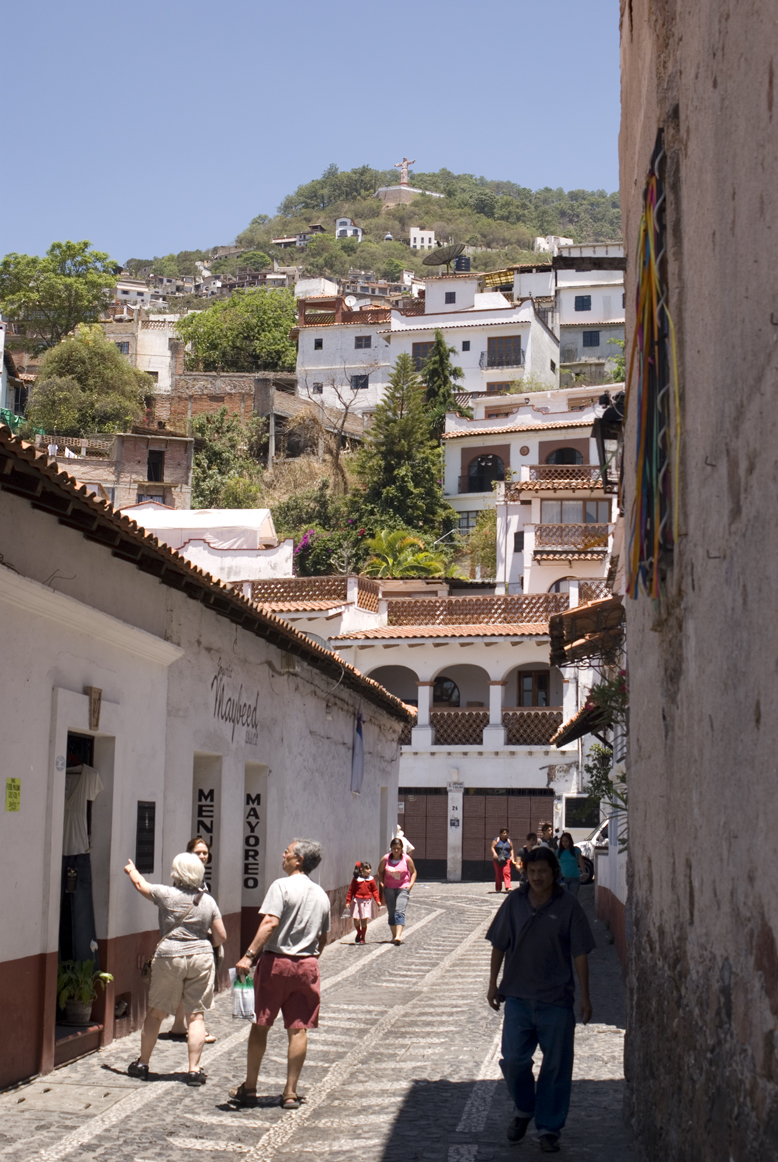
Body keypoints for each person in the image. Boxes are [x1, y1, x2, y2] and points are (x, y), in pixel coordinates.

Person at [486, 846, 595, 1153]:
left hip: (556, 999)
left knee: (557, 1066)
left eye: (543, 871)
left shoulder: (569, 906)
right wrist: (493, 983)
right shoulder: (514, 903)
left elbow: (581, 953)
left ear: (554, 873)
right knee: (514, 1060)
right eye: (532, 872)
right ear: (526, 874)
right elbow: (499, 943)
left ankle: (549, 1127)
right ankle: (524, 1108)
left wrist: (585, 996)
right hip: (518, 997)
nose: (537, 877)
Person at [230, 839, 330, 1111]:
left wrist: (249, 955)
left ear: (298, 859)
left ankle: (250, 1087)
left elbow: (270, 922)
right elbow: (324, 936)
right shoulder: (321, 894)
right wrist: (309, 958)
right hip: (307, 964)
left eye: (287, 851)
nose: (282, 855)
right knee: (298, 1028)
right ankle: (290, 1091)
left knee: (260, 1024)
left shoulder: (281, 886)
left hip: (276, 963)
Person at [124, 852, 226, 1085]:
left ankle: (142, 1064)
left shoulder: (167, 894)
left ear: (177, 873)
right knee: (196, 1016)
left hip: (169, 956)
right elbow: (221, 935)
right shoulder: (208, 901)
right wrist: (203, 944)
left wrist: (131, 870)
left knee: (156, 1012)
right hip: (201, 957)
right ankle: (194, 1070)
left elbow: (141, 885)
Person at [166, 837, 218, 1044]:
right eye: (199, 853)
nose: (203, 856)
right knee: (196, 989)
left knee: (184, 986)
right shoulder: (188, 879)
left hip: (192, 940)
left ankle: (179, 1026)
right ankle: (197, 1029)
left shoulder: (199, 877)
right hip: (191, 941)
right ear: (189, 854)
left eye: (205, 853)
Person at [378, 837, 417, 945]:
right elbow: (380, 871)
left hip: (403, 888)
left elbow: (413, 872)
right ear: (391, 848)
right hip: (389, 889)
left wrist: (410, 885)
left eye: (398, 848)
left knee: (400, 911)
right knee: (391, 913)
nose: (396, 850)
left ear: (401, 849)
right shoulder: (386, 859)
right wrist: (381, 882)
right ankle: (394, 936)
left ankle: (398, 936)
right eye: (394, 848)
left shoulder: (407, 859)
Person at [346, 861, 380, 943]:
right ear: (361, 870)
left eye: (370, 869)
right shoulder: (356, 880)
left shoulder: (371, 880)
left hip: (366, 902)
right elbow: (351, 891)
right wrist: (348, 901)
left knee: (364, 920)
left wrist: (377, 900)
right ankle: (359, 932)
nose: (369, 871)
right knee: (356, 919)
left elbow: (374, 890)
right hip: (357, 901)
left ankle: (362, 938)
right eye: (367, 869)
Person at [557, 832, 586, 896]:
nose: (565, 843)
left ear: (570, 841)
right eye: (563, 841)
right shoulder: (558, 852)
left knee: (573, 897)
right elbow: (555, 865)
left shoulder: (576, 850)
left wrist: (584, 873)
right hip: (562, 879)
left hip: (574, 878)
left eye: (566, 841)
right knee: (564, 897)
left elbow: (581, 862)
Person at [490, 828, 517, 893]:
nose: (505, 834)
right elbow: (492, 847)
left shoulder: (509, 841)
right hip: (498, 859)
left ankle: (508, 887)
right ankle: (498, 888)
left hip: (506, 859)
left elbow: (511, 849)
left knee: (506, 872)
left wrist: (512, 856)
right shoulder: (496, 840)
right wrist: (494, 854)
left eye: (506, 833)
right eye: (504, 833)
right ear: (501, 834)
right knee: (498, 874)